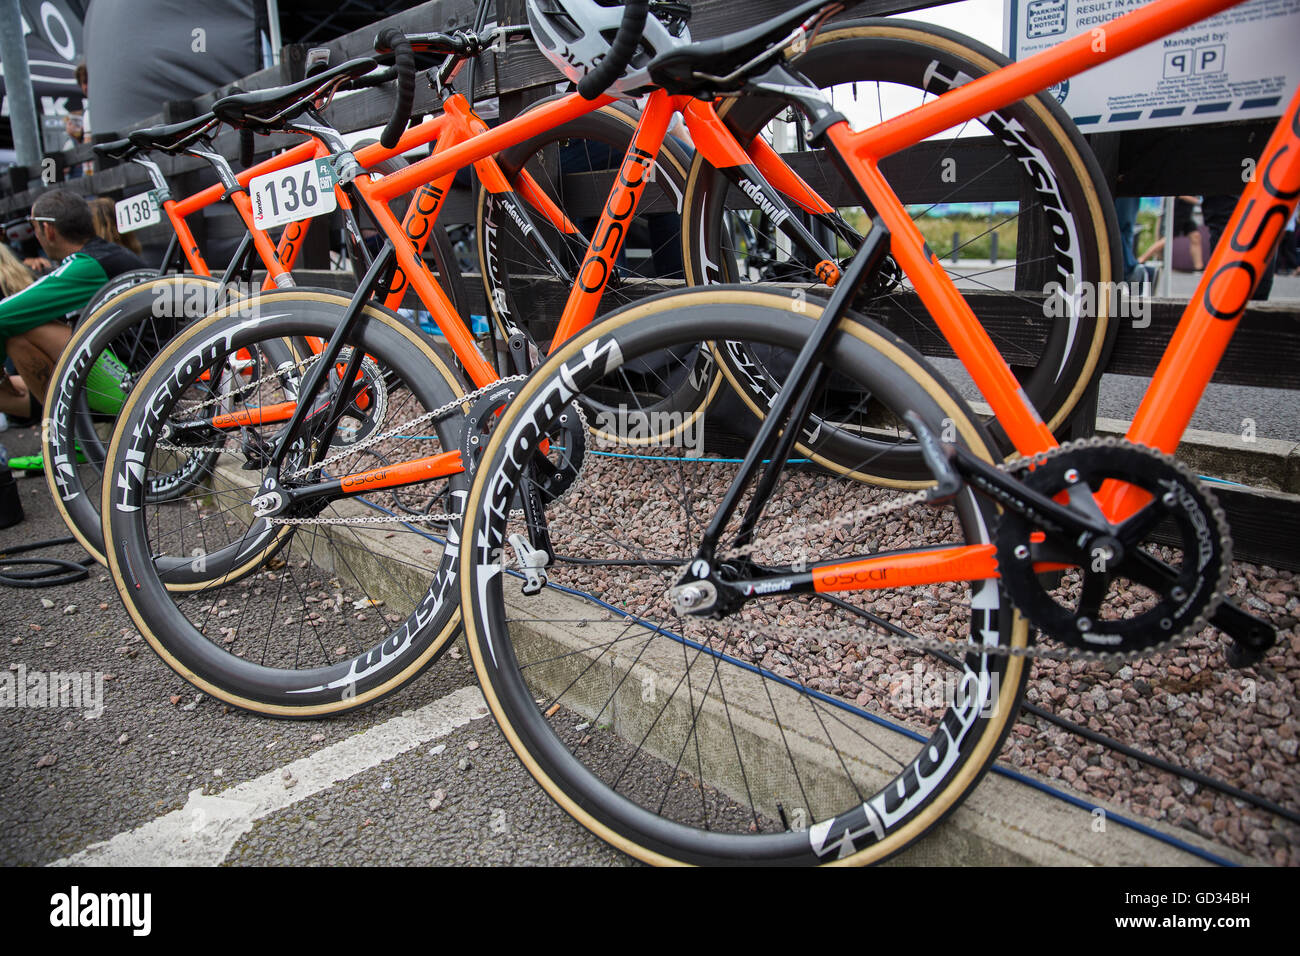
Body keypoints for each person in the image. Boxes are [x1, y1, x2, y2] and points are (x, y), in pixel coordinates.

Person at [0, 190, 145, 423]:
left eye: (33, 227)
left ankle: (67, 438)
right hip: (134, 375)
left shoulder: (88, 265)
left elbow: (3, 315)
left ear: (48, 230)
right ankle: (68, 437)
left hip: (133, 385)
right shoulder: (105, 254)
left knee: (22, 331)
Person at [1138, 195, 1204, 271]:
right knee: (1167, 239)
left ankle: (1199, 267)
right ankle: (1142, 259)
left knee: (1195, 236)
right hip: (1177, 212)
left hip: (1187, 213)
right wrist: (1198, 202)